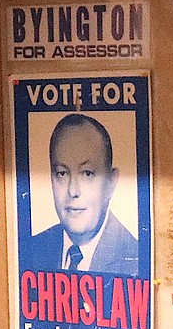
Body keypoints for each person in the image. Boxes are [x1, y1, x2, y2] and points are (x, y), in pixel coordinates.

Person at [28, 113, 139, 276]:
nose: (73, 191)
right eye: (62, 173)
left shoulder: (135, 260)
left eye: (87, 173)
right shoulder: (32, 249)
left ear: (111, 181)